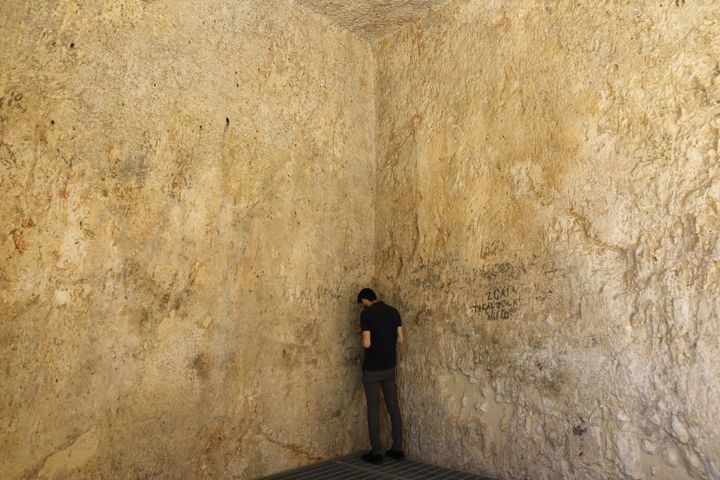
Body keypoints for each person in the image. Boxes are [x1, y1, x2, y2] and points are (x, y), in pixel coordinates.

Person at [356, 288, 405, 464]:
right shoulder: (394, 312)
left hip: (373, 369)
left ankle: (376, 452)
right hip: (389, 367)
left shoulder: (366, 315)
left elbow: (367, 344)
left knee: (373, 408)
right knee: (393, 405)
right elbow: (400, 339)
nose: (362, 306)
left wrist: (362, 333)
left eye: (362, 303)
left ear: (364, 300)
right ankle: (397, 448)